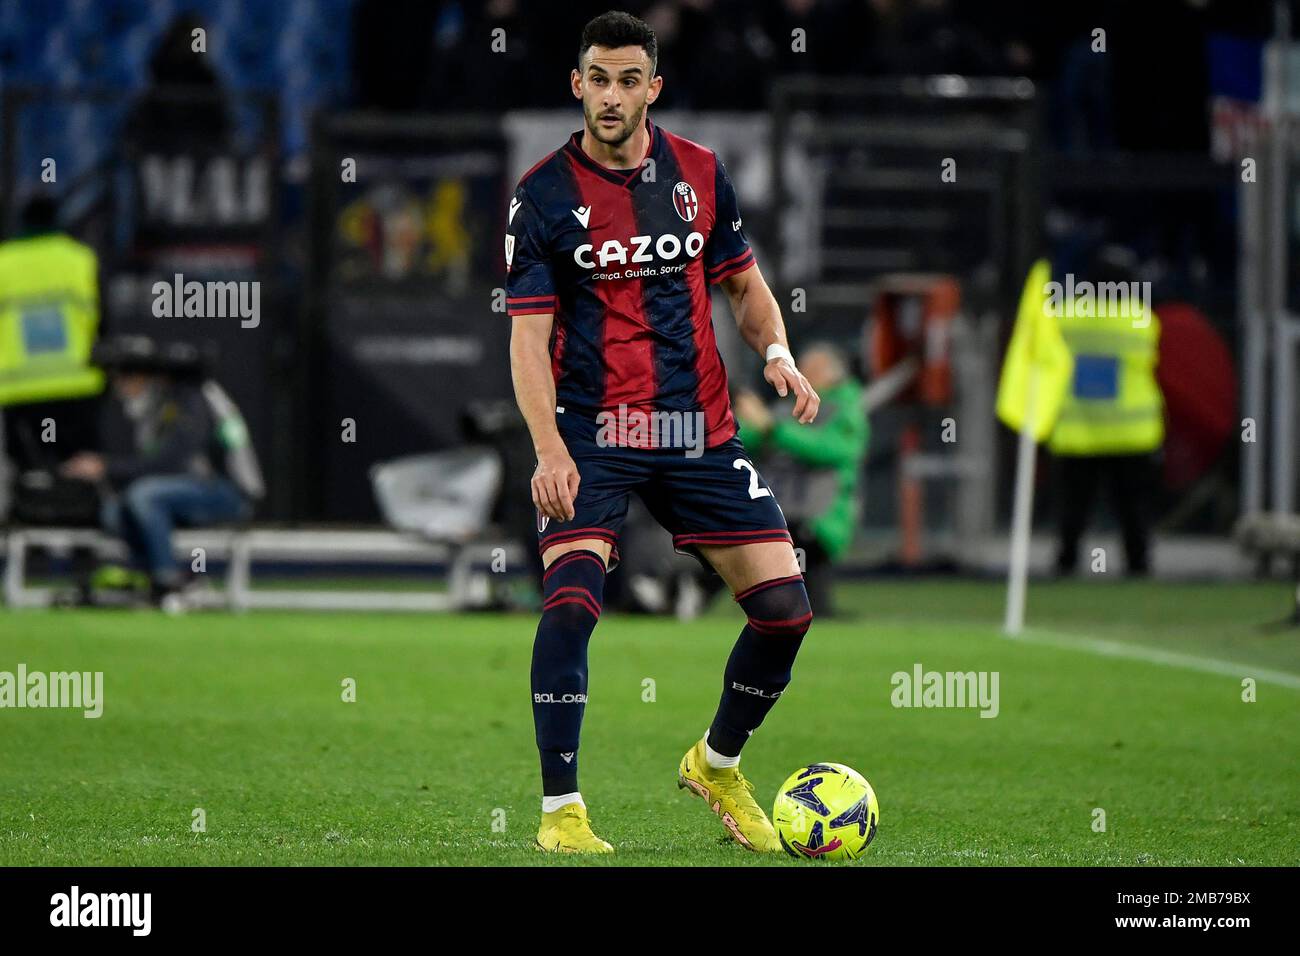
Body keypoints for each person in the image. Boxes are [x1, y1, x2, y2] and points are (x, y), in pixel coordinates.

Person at [507, 11, 820, 853]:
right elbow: (527, 338)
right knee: (571, 602)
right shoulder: (541, 196)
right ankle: (561, 813)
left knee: (786, 612)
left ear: (654, 86)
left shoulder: (701, 174)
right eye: (597, 79)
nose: (611, 96)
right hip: (592, 433)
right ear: (577, 85)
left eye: (628, 80)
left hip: (698, 430)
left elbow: (746, 289)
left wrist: (779, 355)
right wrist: (548, 449)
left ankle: (716, 763)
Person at [60, 336, 263, 605]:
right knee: (114, 511)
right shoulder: (160, 405)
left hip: (230, 492)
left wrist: (104, 466)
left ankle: (169, 582)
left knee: (144, 495)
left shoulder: (191, 396)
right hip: (192, 490)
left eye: (125, 375)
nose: (119, 384)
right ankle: (162, 576)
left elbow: (176, 463)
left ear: (147, 375)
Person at [1049, 248, 1164, 576]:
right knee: (1133, 509)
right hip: (1131, 432)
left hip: (1078, 431)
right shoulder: (1141, 321)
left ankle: (1066, 565)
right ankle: (1139, 566)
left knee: (1073, 509)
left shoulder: (1065, 316)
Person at [734, 343, 868, 617]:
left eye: (814, 370)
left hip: (821, 518)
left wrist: (771, 428)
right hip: (780, 513)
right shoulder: (787, 409)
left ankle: (687, 591)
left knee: (799, 585)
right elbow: (744, 440)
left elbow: (826, 448)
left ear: (834, 375)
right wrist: (745, 421)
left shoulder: (847, 410)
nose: (805, 374)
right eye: (802, 368)